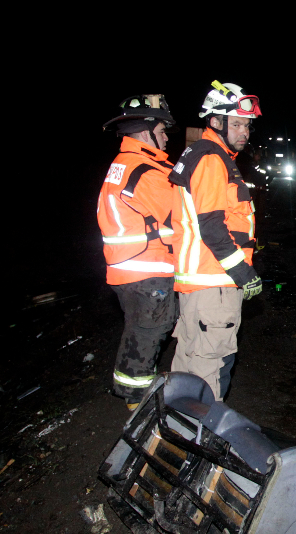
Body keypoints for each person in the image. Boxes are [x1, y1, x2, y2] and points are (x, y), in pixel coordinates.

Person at [168, 81, 263, 400]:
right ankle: (202, 441)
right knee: (212, 369)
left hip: (200, 285)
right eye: (236, 124)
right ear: (215, 122)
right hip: (215, 285)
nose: (244, 132)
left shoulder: (202, 154)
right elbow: (212, 226)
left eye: (247, 125)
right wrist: (244, 274)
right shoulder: (211, 159)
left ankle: (176, 432)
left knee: (188, 365)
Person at [98, 95, 178, 410]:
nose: (167, 136)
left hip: (128, 268)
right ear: (145, 132)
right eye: (162, 130)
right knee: (148, 334)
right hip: (146, 269)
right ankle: (136, 403)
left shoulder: (125, 164)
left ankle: (135, 392)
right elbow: (178, 221)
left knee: (142, 331)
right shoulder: (147, 171)